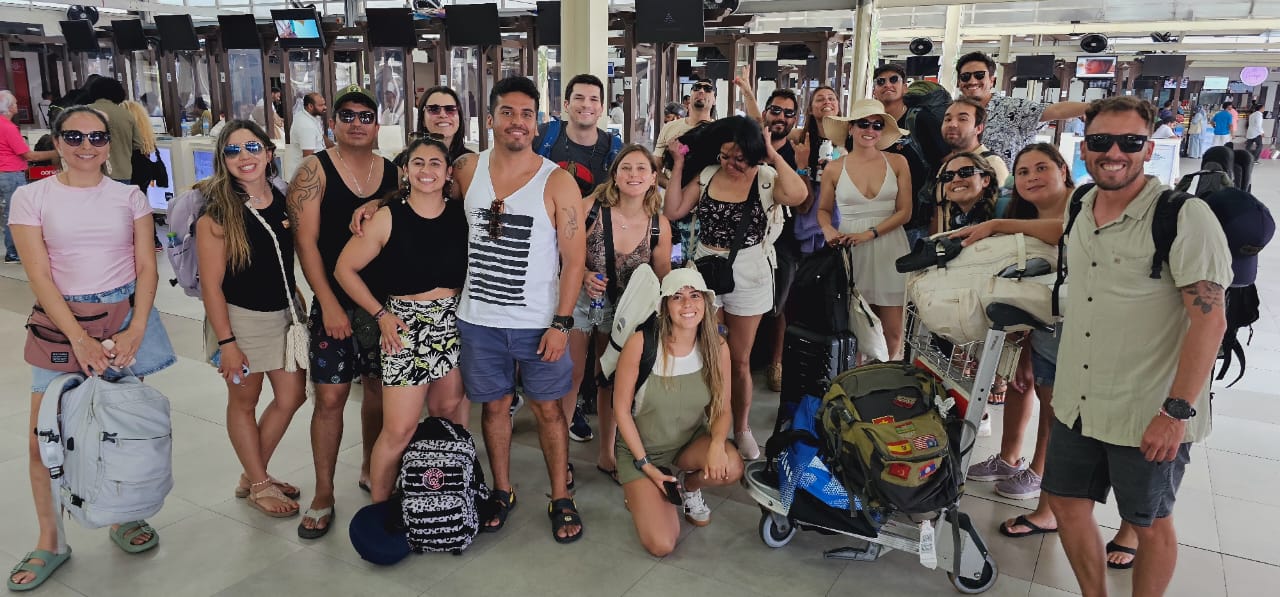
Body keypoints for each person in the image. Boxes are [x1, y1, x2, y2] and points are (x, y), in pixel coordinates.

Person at [1044, 95, 1232, 597]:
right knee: (1065, 502)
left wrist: (1176, 412)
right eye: (1102, 141)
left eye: (1130, 142)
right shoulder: (1080, 203)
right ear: (1084, 146)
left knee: (1148, 523)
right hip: (1078, 399)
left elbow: (1209, 324)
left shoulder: (1184, 218)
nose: (1114, 153)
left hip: (1147, 406)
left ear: (1149, 149)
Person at [953, 142, 1146, 570]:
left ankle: (1133, 528)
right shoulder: (1026, 218)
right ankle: (1048, 506)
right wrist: (1022, 351)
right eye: (1023, 172)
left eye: (1042, 168)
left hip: (1104, 335)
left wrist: (998, 226)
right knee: (1060, 422)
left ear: (1064, 169)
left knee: (1114, 431)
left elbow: (1070, 233)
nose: (1032, 177)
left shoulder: (1086, 203)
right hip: (1050, 332)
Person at [7, 106, 176, 591]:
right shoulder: (31, 197)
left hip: (122, 319)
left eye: (97, 137)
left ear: (109, 142)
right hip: (61, 325)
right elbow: (38, 275)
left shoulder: (128, 197)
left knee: (121, 426)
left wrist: (136, 327)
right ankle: (51, 540)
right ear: (56, 141)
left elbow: (146, 265)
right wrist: (79, 338)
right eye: (74, 136)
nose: (87, 145)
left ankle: (123, 515)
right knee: (44, 438)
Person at [450, 76, 587, 543]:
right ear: (490, 119)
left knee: (549, 412)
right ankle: (502, 490)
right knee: (494, 410)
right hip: (479, 321)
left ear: (538, 123)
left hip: (538, 324)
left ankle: (559, 495)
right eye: (507, 112)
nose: (517, 122)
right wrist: (378, 207)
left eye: (527, 114)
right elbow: (422, 203)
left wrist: (562, 323)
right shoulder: (468, 170)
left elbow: (575, 262)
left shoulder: (558, 181)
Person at [287, 85, 399, 539]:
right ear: (332, 123)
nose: (356, 123)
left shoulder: (391, 171)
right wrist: (328, 302)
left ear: (377, 125)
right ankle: (324, 491)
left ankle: (372, 469)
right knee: (330, 397)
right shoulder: (314, 170)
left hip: (381, 304)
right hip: (334, 304)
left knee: (377, 391)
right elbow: (305, 242)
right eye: (347, 115)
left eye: (365, 116)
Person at [664, 116, 808, 461]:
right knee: (706, 354)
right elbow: (673, 209)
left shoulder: (766, 179)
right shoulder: (709, 174)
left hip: (749, 271)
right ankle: (707, 424)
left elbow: (799, 195)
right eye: (726, 155)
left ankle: (740, 427)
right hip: (705, 269)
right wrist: (681, 164)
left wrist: (773, 155)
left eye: (739, 158)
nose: (731, 164)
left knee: (740, 359)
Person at [334, 136, 468, 503]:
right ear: (405, 171)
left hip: (451, 325)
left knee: (448, 416)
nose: (427, 170)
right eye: (419, 163)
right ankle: (379, 509)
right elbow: (345, 269)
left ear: (448, 172)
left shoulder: (461, 215)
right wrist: (380, 315)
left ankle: (449, 493)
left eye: (435, 163)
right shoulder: (387, 217)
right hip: (404, 329)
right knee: (399, 429)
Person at [195, 120, 308, 519]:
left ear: (269, 153)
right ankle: (259, 483)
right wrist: (227, 344)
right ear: (222, 160)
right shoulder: (216, 215)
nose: (244, 157)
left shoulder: (281, 200)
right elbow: (211, 287)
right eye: (233, 150)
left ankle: (252, 473)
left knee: (293, 395)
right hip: (241, 321)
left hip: (285, 315)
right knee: (244, 401)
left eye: (252, 147)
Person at [564, 145, 673, 484]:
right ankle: (560, 456)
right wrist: (582, 275)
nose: (634, 175)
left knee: (609, 379)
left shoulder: (659, 225)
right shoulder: (590, 209)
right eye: (626, 168)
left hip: (627, 312)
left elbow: (662, 275)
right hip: (583, 301)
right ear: (615, 174)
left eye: (642, 169)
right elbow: (564, 251)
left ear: (654, 178)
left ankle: (607, 452)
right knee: (570, 375)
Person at [613, 268, 743, 555]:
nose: (687, 305)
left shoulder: (717, 347)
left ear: (706, 303)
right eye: (677, 297)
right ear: (664, 306)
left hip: (687, 443)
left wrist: (718, 444)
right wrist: (645, 465)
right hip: (642, 451)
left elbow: (722, 406)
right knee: (662, 545)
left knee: (731, 465)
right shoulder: (641, 344)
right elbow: (620, 411)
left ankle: (687, 484)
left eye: (694, 295)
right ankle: (642, 488)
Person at [533, 73, 625, 442]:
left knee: (587, 339)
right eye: (579, 98)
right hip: (545, 251)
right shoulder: (547, 140)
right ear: (565, 104)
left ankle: (579, 408)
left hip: (592, 256)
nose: (586, 105)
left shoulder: (613, 149)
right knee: (554, 331)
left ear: (602, 108)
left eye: (593, 100)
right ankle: (550, 404)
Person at [816, 99, 913, 360]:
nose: (870, 129)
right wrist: (827, 229)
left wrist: (869, 234)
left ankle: (887, 383)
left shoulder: (898, 162)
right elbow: (823, 210)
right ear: (850, 128)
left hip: (890, 247)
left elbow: (905, 212)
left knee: (894, 332)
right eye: (863, 123)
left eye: (877, 125)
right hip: (851, 249)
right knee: (858, 329)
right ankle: (858, 388)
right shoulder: (834, 168)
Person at [754, 89, 804, 393]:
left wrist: (803, 165)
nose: (781, 117)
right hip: (747, 238)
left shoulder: (796, 152)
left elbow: (803, 198)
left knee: (779, 305)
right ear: (765, 113)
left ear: (794, 119)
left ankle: (776, 362)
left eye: (788, 113)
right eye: (775, 110)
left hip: (783, 241)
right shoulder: (750, 145)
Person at [955, 52, 1089, 163]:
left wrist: (1093, 107)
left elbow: (1056, 110)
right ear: (959, 82)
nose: (972, 81)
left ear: (992, 80)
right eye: (965, 77)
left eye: (979, 75)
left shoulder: (1014, 108)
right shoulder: (952, 114)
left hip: (1005, 192)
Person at [873, 64, 947, 244]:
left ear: (905, 87)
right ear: (874, 91)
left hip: (916, 221)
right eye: (881, 82)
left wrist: (938, 214)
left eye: (894, 80)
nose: (887, 85)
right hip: (879, 219)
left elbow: (945, 162)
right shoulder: (871, 124)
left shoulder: (920, 119)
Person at [0, 90, 58, 264]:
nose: (18, 106)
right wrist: (59, 152)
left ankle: (12, 250)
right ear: (9, 107)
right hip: (11, 174)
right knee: (15, 213)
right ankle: (13, 252)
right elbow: (29, 156)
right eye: (16, 103)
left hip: (4, 174)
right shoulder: (8, 127)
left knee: (8, 212)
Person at [941, 97, 1010, 186]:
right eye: (948, 119)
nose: (952, 124)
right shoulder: (947, 166)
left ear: (978, 128)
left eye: (962, 119)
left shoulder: (991, 164)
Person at [88, 77, 143, 184]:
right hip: (122, 172)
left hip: (92, 173)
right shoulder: (127, 115)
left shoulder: (83, 112)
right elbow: (138, 144)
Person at [932, 151, 1002, 235]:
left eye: (966, 172)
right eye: (948, 176)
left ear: (985, 180)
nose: (955, 179)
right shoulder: (958, 220)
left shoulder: (1006, 209)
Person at [415, 85, 472, 160]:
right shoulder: (405, 160)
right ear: (423, 120)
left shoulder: (473, 163)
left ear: (459, 118)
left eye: (450, 109)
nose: (443, 115)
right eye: (434, 109)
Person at [291, 92, 332, 157]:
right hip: (311, 164)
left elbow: (321, 137)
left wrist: (337, 149)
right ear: (310, 106)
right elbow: (308, 158)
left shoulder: (312, 116)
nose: (325, 107)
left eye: (324, 104)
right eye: (321, 105)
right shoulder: (306, 126)